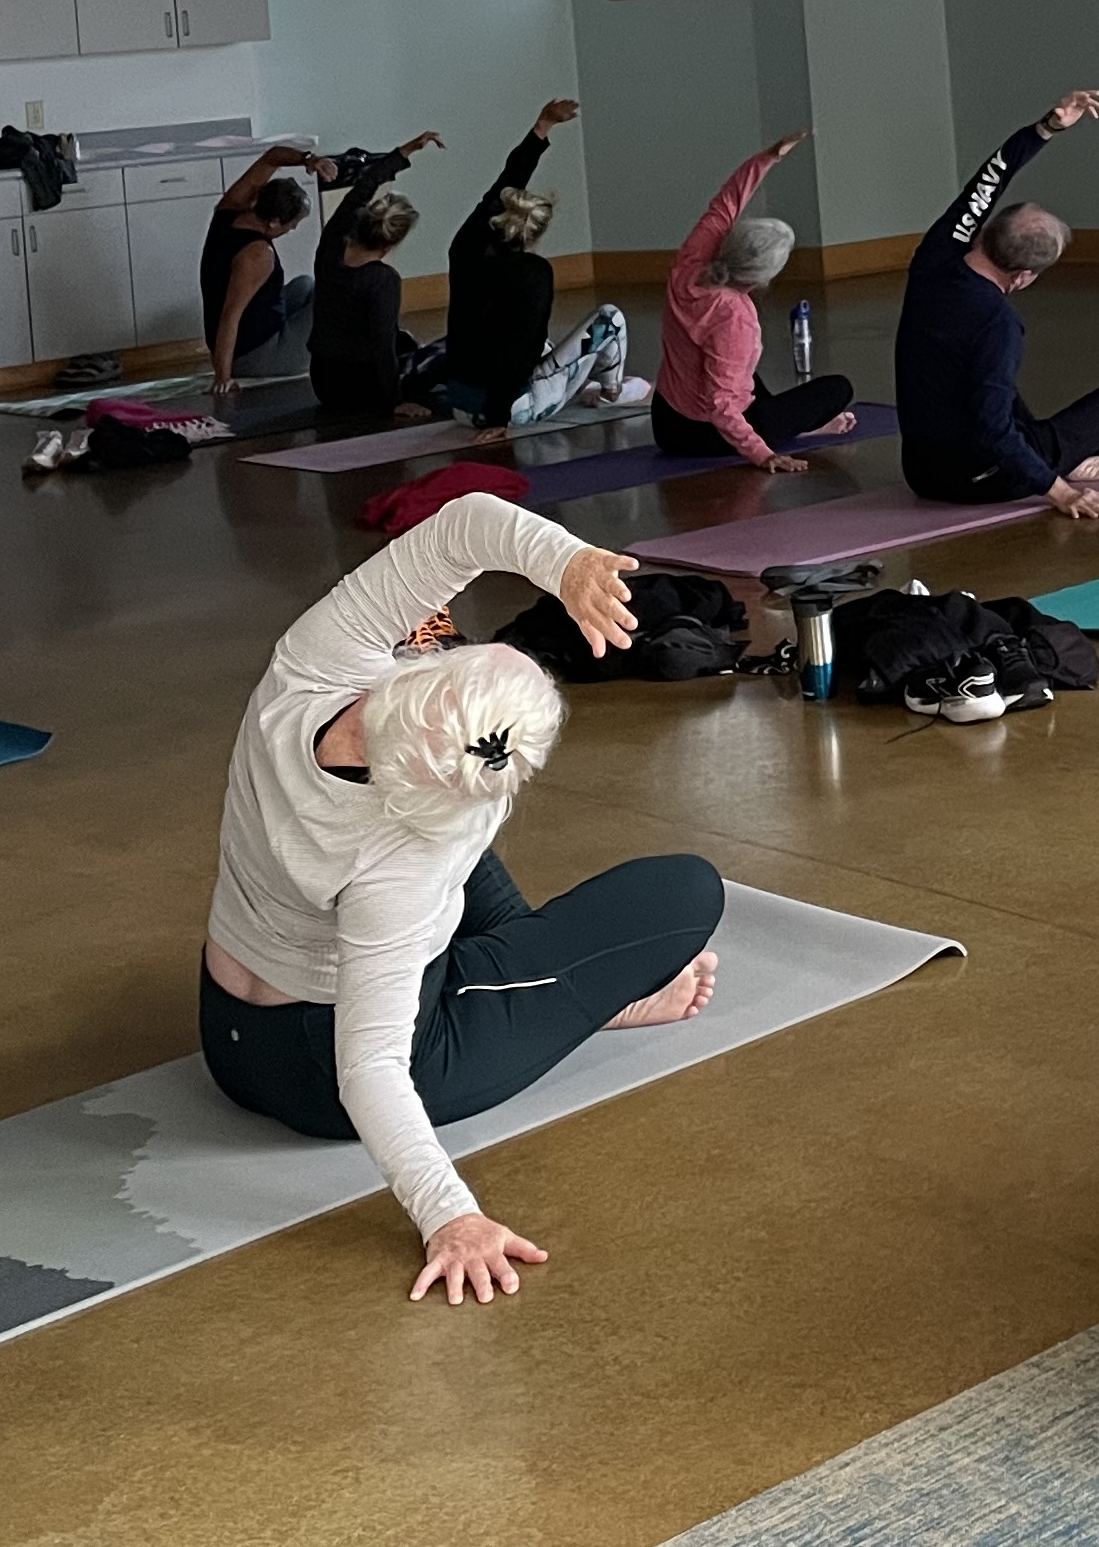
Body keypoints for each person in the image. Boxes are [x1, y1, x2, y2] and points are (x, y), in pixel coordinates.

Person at [201, 490, 725, 1304]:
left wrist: (568, 563)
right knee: (686, 893)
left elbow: (461, 526)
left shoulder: (315, 660)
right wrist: (452, 1215)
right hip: (320, 1076)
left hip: (227, 1029)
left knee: (449, 837)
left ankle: (542, 982)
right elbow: (370, 1067)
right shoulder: (406, 861)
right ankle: (585, 1001)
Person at [896, 93, 1099, 520]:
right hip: (981, 478)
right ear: (1024, 277)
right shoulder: (998, 322)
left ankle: (1059, 459)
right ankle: (1063, 465)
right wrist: (1063, 493)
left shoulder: (934, 260)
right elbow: (992, 431)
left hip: (921, 471)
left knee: (988, 388)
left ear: (984, 234)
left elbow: (986, 182)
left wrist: (1046, 127)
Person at [421, 101, 639, 436]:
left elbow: (501, 187)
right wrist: (498, 420)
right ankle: (612, 393)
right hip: (512, 410)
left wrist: (543, 127)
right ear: (536, 233)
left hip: (460, 405)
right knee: (610, 319)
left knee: (539, 344)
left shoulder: (464, 247)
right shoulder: (532, 273)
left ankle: (598, 385)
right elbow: (517, 355)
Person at [650, 132, 860, 474]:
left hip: (666, 417)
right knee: (838, 389)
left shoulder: (690, 263)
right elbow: (722, 407)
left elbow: (727, 201)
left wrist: (769, 156)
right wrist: (764, 455)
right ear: (762, 279)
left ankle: (788, 427)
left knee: (740, 368)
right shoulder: (735, 318)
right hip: (702, 434)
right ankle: (792, 432)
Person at [204, 133, 432, 393]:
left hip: (253, 329)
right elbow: (229, 316)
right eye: (291, 225)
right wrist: (223, 376)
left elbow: (272, 157)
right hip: (253, 357)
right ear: (274, 222)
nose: (292, 230)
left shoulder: (230, 208)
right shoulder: (257, 255)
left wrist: (309, 160)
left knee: (306, 284)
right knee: (333, 299)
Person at [306, 181, 447, 429]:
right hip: (363, 389)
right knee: (453, 347)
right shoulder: (382, 280)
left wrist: (400, 155)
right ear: (388, 245)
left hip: (323, 381)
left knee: (403, 339)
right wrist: (395, 402)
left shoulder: (329, 251)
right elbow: (382, 346)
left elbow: (353, 198)